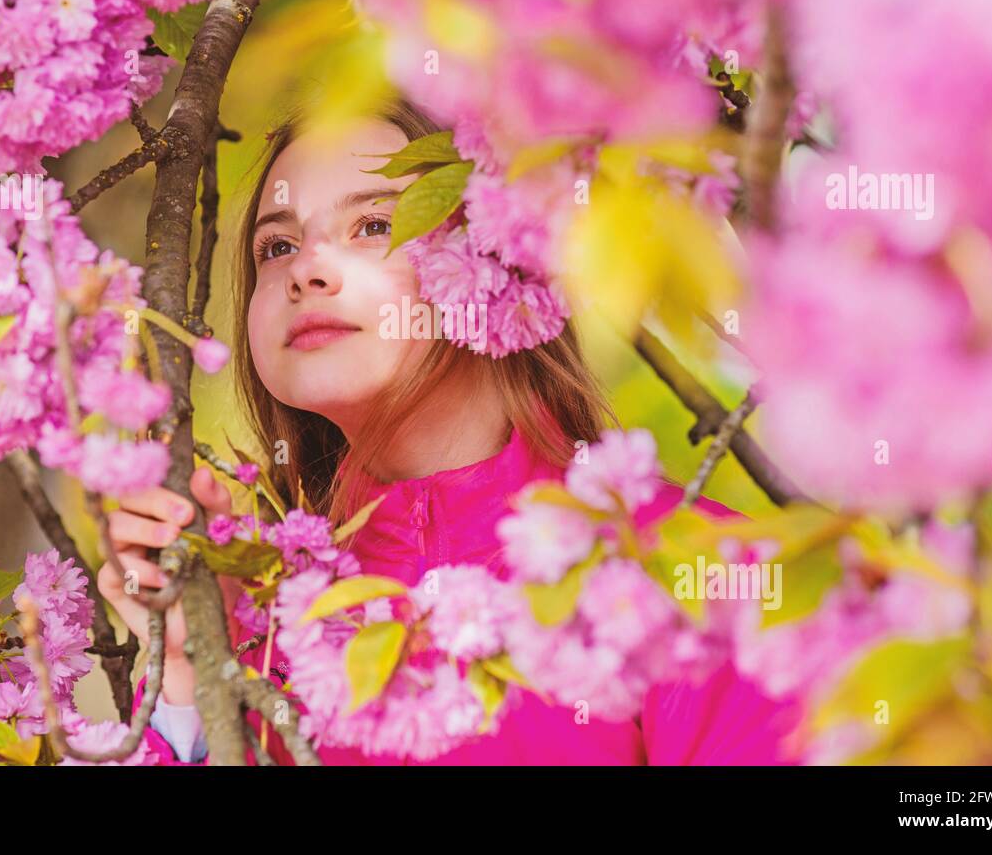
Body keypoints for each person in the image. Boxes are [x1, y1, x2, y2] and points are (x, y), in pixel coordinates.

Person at [97, 97, 804, 765]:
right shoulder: (270, 626)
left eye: (374, 225)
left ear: (496, 258)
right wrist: (191, 669)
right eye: (276, 245)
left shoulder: (697, 573)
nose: (305, 269)